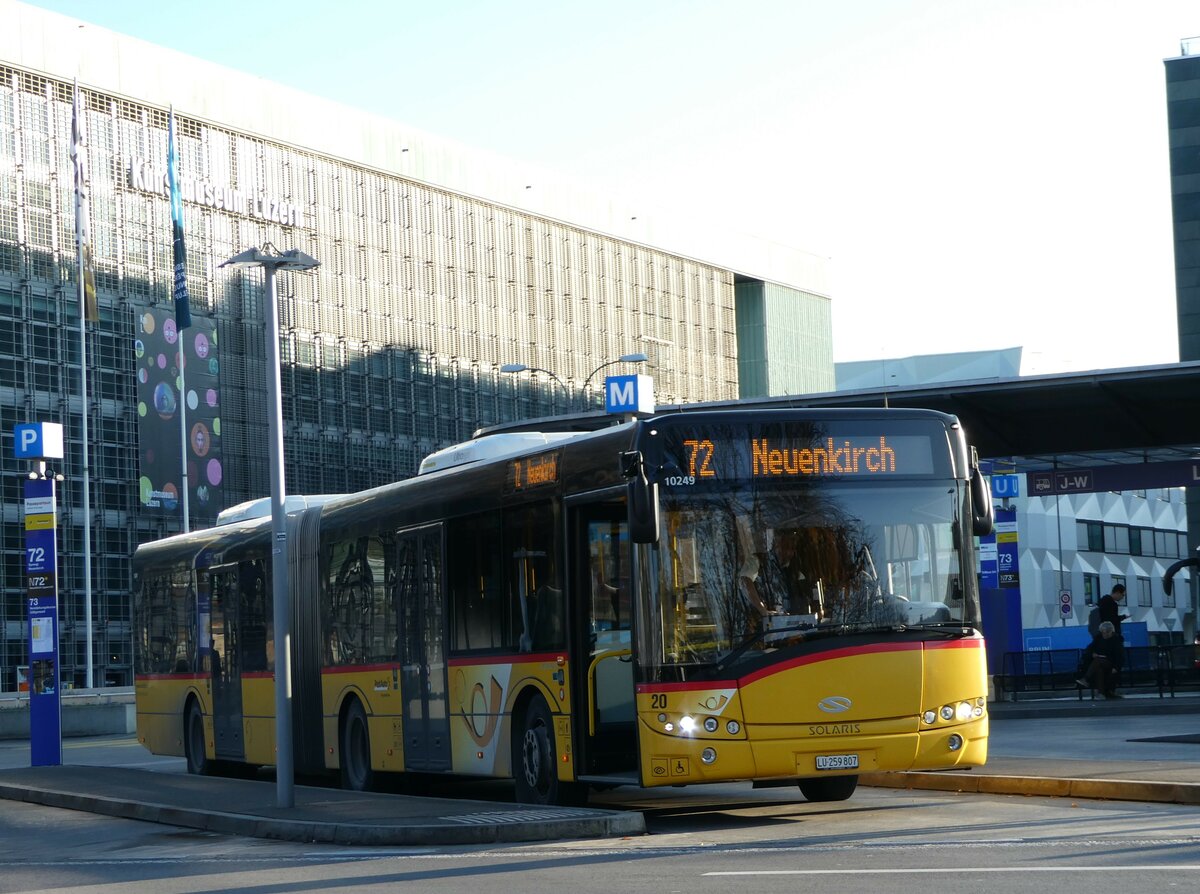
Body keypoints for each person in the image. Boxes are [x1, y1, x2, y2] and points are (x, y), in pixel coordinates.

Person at [1076, 620, 1124, 698]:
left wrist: (1116, 667)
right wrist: (1092, 654)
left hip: (1111, 662)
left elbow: (1120, 656)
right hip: (1100, 662)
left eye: (1106, 632)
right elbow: (1090, 648)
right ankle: (1101, 693)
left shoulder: (1116, 640)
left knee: (1098, 661)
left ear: (1110, 632)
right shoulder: (1099, 638)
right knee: (1099, 669)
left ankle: (1086, 679)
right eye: (1103, 632)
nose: (1104, 634)